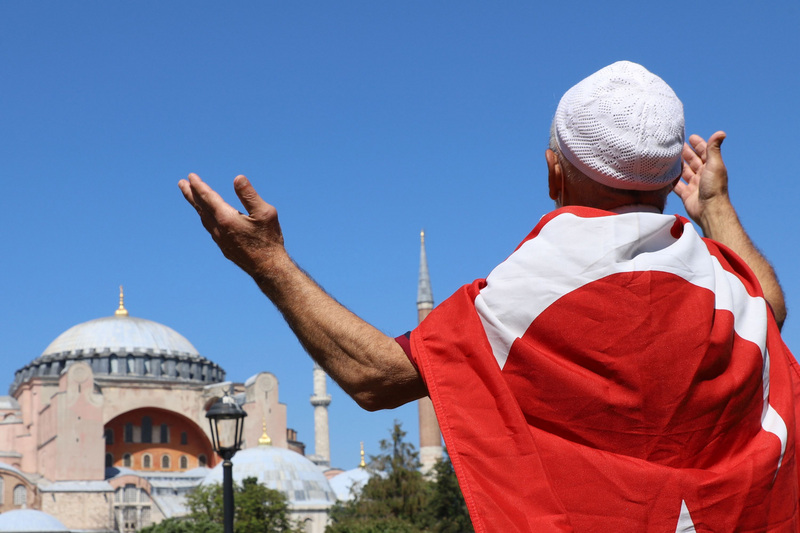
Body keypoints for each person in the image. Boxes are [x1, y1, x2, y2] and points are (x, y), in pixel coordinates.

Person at [180, 61, 797, 531]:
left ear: (554, 170)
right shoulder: (713, 274)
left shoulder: (539, 287)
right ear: (668, 179)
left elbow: (373, 378)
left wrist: (268, 262)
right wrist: (714, 203)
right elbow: (768, 304)